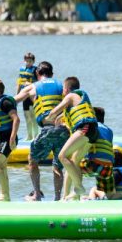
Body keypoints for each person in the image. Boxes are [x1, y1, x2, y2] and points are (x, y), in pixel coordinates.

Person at [13, 61, 66, 201]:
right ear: (52, 74)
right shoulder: (62, 86)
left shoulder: (33, 86)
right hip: (64, 130)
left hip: (47, 129)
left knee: (33, 159)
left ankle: (36, 194)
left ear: (37, 74)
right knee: (58, 165)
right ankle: (58, 198)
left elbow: (14, 101)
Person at [45, 76, 99, 200]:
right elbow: (63, 115)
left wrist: (48, 118)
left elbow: (54, 112)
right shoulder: (77, 99)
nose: (62, 91)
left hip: (84, 129)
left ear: (67, 88)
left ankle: (79, 187)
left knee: (62, 156)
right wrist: (59, 118)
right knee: (74, 160)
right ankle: (75, 195)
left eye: (63, 88)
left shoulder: (70, 96)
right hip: (93, 132)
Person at [16, 52, 37, 141]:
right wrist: (17, 95)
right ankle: (29, 135)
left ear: (33, 61)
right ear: (24, 61)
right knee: (26, 116)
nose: (28, 63)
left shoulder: (35, 70)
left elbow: (38, 84)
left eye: (30, 61)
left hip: (32, 95)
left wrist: (30, 83)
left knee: (33, 116)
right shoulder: (21, 69)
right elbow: (19, 83)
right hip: (24, 95)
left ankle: (35, 136)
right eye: (27, 61)